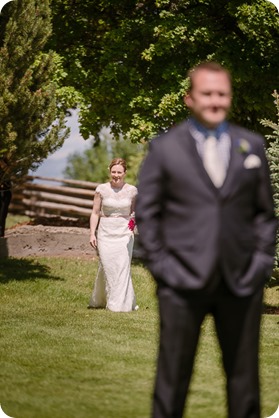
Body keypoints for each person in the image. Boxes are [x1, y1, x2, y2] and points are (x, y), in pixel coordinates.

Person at [135, 62, 277, 418]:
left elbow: (264, 214)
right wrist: (163, 268)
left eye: (222, 93)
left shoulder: (252, 145)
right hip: (181, 283)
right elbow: (148, 215)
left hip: (241, 283)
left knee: (245, 386)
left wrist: (260, 263)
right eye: (207, 93)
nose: (215, 100)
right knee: (171, 383)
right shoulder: (165, 148)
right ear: (190, 98)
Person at [88, 157, 138, 312]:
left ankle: (118, 304)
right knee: (108, 265)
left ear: (125, 173)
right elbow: (95, 213)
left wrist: (133, 224)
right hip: (105, 231)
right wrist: (92, 234)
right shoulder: (101, 189)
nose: (116, 175)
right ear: (109, 171)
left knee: (123, 266)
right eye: (113, 172)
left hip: (124, 233)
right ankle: (104, 298)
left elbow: (134, 212)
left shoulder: (132, 191)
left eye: (119, 172)